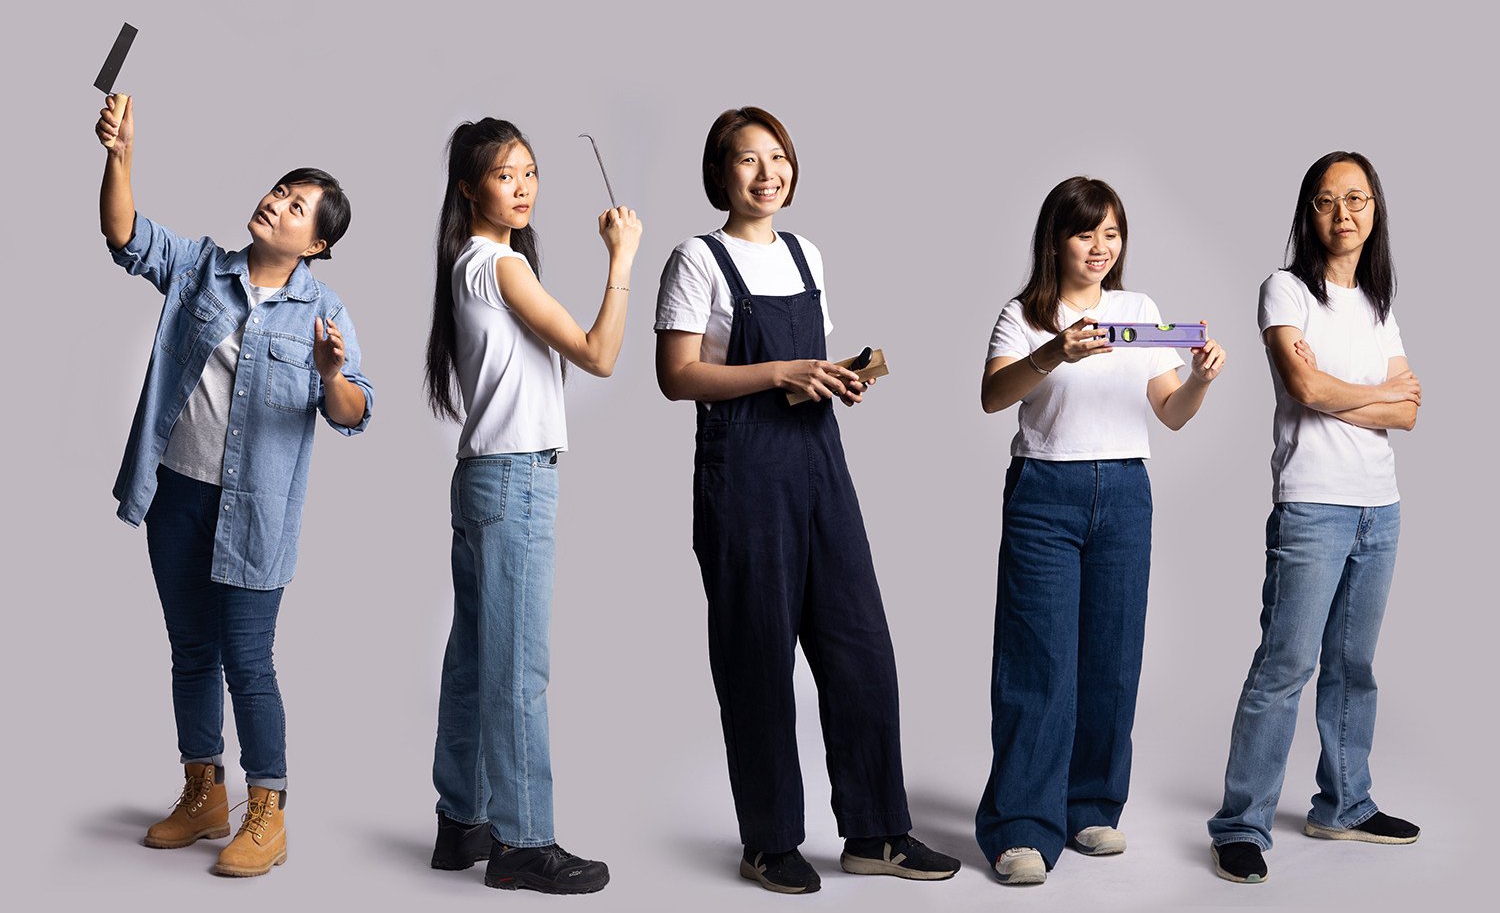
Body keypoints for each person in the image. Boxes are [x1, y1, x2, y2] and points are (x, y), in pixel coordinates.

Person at [655, 106, 961, 895]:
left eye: (779, 157)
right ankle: (769, 841)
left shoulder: (804, 252)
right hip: (743, 475)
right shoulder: (695, 259)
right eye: (748, 160)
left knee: (861, 648)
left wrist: (835, 375)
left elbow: (805, 362)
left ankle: (876, 832)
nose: (768, 174)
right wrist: (781, 373)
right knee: (756, 657)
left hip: (820, 462)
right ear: (719, 174)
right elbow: (677, 376)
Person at [95, 96, 374, 877]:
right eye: (278, 190)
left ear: (316, 242)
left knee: (249, 661)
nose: (274, 204)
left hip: (255, 515)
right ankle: (202, 793)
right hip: (178, 494)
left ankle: (269, 813)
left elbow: (356, 411)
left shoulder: (325, 311)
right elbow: (124, 235)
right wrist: (120, 155)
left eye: (295, 206)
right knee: (190, 653)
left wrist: (328, 376)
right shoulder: (200, 269)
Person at [976, 176, 1225, 886]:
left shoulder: (1138, 311)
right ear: (1056, 239)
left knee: (1113, 658)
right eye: (1085, 232)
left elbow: (1170, 412)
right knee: (1038, 661)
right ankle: (1021, 827)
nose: (1099, 246)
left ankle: (1090, 806)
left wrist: (1201, 379)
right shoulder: (1025, 313)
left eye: (1111, 233)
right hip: (1045, 492)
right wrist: (1055, 352)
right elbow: (994, 395)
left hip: (1124, 491)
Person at [424, 118, 641, 895]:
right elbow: (601, 354)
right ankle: (523, 841)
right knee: (518, 667)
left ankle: (463, 823)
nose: (521, 187)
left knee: (476, 657)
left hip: (484, 475)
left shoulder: (467, 264)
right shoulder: (502, 267)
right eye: (504, 174)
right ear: (467, 187)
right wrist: (621, 261)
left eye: (529, 172)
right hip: (514, 479)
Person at [1208, 151, 1421, 884]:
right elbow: (1302, 387)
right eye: (1329, 201)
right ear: (1309, 212)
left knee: (1354, 667)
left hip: (1379, 507)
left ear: (1374, 211)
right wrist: (1371, 398)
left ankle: (1344, 805)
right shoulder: (1285, 292)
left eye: (1357, 200)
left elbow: (1413, 409)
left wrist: (1342, 393)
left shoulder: (1379, 303)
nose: (1344, 214)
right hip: (1312, 507)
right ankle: (1240, 824)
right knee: (1286, 665)